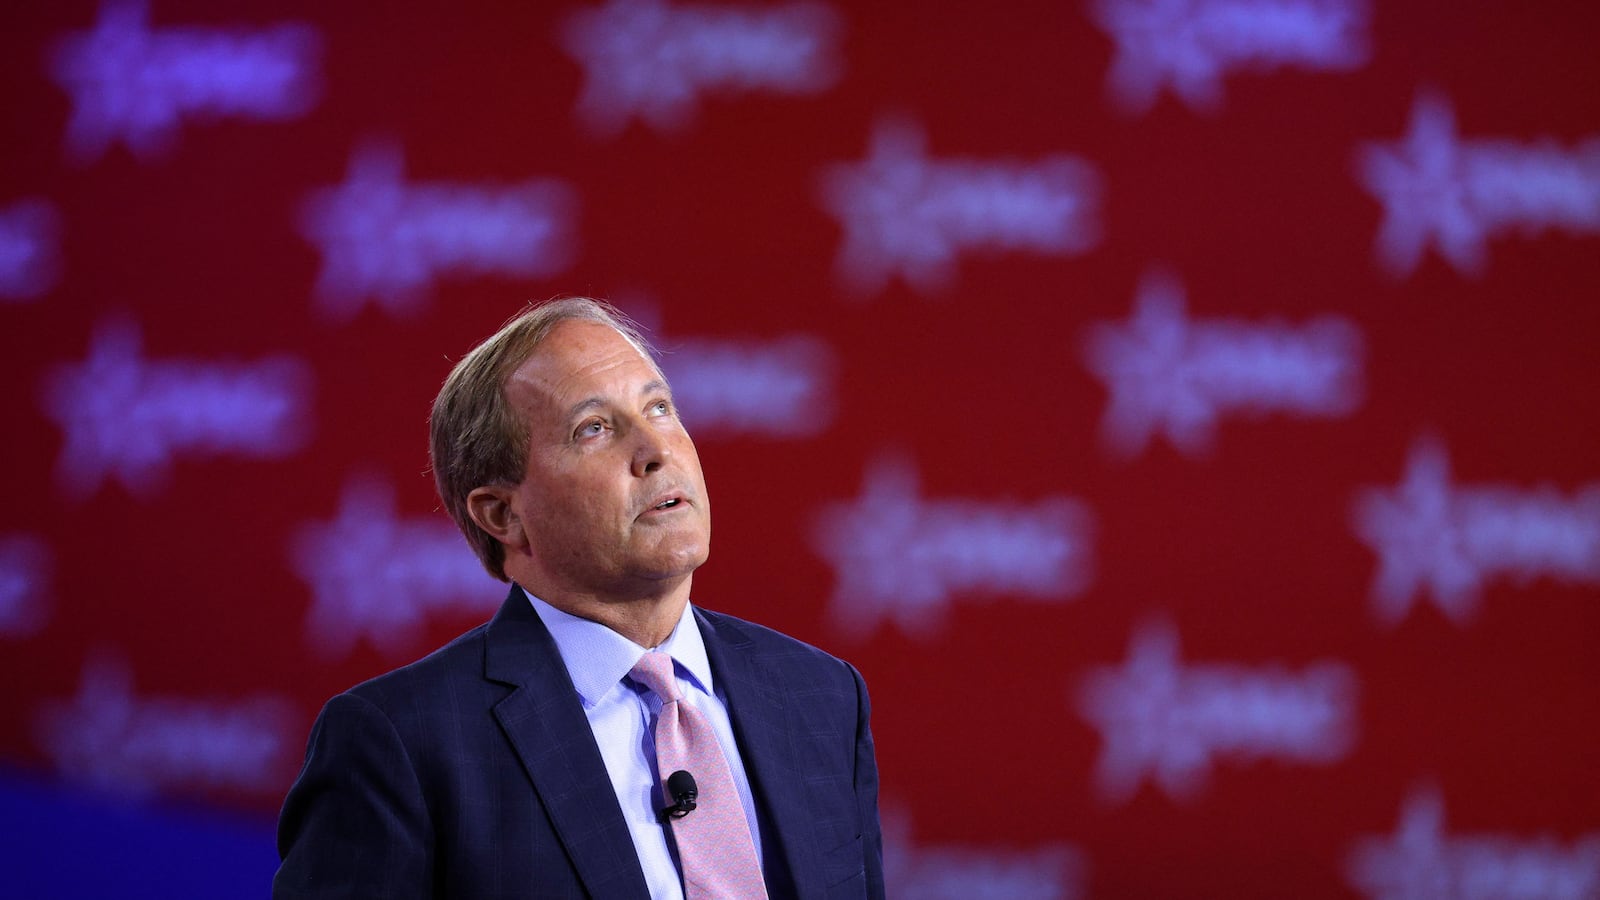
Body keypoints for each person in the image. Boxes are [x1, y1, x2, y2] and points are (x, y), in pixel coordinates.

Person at [273, 297, 885, 899]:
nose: (656, 451)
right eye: (594, 428)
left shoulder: (821, 696)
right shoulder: (402, 745)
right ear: (503, 514)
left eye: (660, 408)